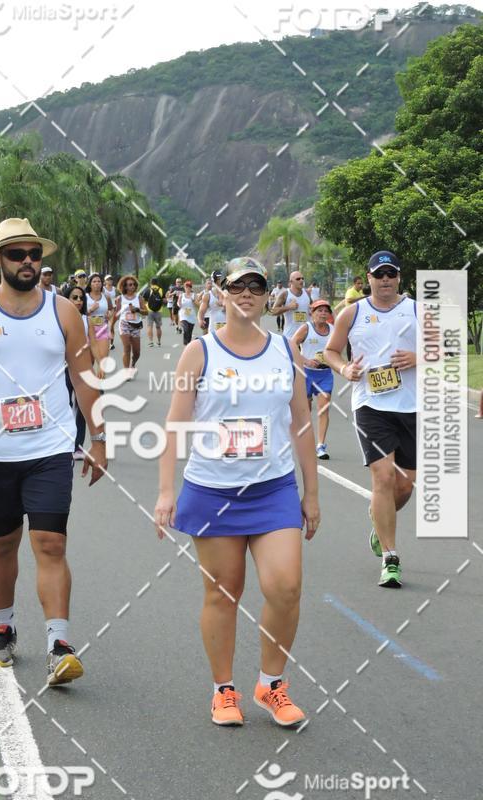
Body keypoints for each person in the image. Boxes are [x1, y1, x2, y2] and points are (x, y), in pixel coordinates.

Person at [154, 256, 319, 727]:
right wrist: (167, 492)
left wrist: (312, 494)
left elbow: (302, 425)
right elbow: (175, 425)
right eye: (237, 285)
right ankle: (223, 690)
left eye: (256, 286)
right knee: (224, 594)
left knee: (285, 586)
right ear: (222, 293)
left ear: (268, 296)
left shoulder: (285, 350)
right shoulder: (200, 352)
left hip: (273, 489)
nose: (247, 293)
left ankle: (271, 684)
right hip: (213, 491)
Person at [0, 218, 108, 684]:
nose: (27, 262)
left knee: (50, 542)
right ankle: (4, 626)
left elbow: (83, 377)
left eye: (34, 254)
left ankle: (59, 644)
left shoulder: (63, 312)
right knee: (2, 542)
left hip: (51, 445)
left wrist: (98, 437)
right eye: (16, 254)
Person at [325, 251, 416, 589]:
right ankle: (390, 558)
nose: (386, 280)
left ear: (399, 277)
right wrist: (344, 368)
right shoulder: (353, 312)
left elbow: (445, 348)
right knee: (382, 478)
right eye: (380, 275)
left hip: (411, 406)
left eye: (391, 273)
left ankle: (378, 520)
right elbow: (331, 352)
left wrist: (418, 356)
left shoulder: (418, 309)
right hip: (370, 406)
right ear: (369, 278)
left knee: (404, 486)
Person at [292, 300, 334, 460]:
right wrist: (305, 360)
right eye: (319, 310)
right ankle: (305, 441)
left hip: (325, 374)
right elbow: (293, 344)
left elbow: (338, 348)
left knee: (324, 409)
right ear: (312, 313)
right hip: (306, 374)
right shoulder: (306, 328)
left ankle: (320, 445)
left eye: (325, 311)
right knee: (306, 410)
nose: (323, 313)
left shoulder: (333, 330)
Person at [63, 285, 93, 460]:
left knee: (81, 407)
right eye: (74, 297)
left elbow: (97, 341)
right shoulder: (57, 319)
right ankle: (63, 443)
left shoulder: (88, 319)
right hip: (61, 370)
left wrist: (100, 365)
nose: (79, 301)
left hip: (82, 369)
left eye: (81, 298)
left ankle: (78, 446)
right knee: (64, 407)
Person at [112, 274, 148, 374]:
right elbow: (117, 314)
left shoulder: (139, 298)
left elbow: (146, 312)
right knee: (127, 347)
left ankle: (133, 363)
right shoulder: (120, 298)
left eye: (133, 284)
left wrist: (137, 310)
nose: (132, 286)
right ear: (125, 286)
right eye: (129, 284)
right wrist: (111, 327)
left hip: (136, 325)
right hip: (124, 324)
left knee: (137, 352)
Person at [86, 273, 113, 377]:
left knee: (103, 360)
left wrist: (109, 315)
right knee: (90, 361)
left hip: (102, 329)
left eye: (99, 281)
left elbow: (111, 309)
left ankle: (100, 386)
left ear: (102, 284)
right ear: (90, 284)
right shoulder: (85, 297)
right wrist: (90, 310)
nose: (97, 283)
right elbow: (79, 313)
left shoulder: (106, 296)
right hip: (88, 330)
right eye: (94, 281)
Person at [270, 271, 311, 340]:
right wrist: (289, 307)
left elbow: (313, 308)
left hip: (305, 336)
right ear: (291, 282)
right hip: (290, 337)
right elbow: (273, 311)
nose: (301, 280)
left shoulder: (307, 293)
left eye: (302, 278)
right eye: (298, 279)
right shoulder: (285, 294)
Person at [143, 277, 164, 347]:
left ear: (150, 283)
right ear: (157, 283)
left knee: (149, 326)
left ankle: (151, 342)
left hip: (149, 311)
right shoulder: (160, 290)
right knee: (158, 327)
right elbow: (164, 300)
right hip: (159, 311)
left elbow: (143, 300)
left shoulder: (148, 290)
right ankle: (159, 342)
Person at [178, 280, 199, 345]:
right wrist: (179, 300)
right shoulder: (182, 295)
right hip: (183, 316)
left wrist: (194, 301)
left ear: (191, 288)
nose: (187, 288)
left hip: (191, 316)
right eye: (186, 287)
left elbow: (198, 305)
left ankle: (188, 343)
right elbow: (179, 305)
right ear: (184, 288)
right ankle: (185, 342)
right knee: (186, 329)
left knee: (189, 331)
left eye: (189, 287)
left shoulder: (194, 295)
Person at [103, 275, 117, 350]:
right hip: (105, 309)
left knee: (111, 326)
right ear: (105, 281)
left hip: (113, 309)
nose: (110, 280)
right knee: (104, 326)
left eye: (111, 279)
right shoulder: (103, 289)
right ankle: (104, 342)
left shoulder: (115, 289)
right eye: (108, 279)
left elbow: (118, 298)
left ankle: (111, 343)